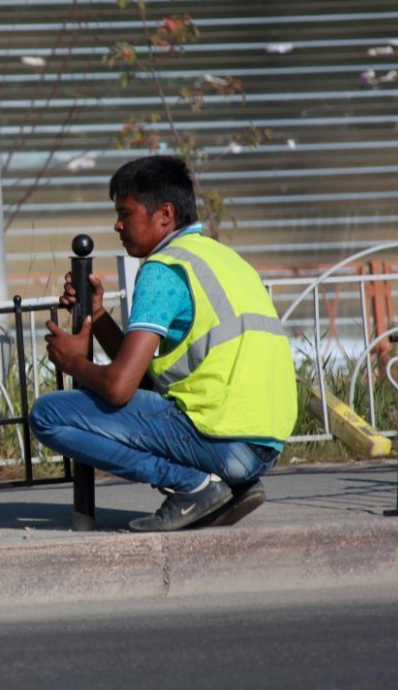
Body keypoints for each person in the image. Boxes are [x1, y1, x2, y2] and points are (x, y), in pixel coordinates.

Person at [31, 155, 296, 532]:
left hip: (220, 439)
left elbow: (121, 389)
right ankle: (225, 488)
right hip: (263, 447)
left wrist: (74, 363)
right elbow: (144, 381)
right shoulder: (224, 259)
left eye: (126, 213)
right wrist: (100, 316)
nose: (117, 225)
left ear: (165, 215)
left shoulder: (163, 268)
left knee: (48, 415)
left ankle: (192, 487)